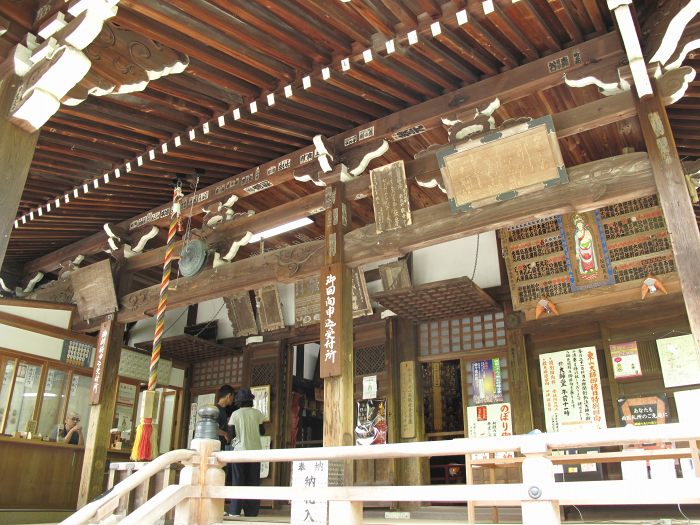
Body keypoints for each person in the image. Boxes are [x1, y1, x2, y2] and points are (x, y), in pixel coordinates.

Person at [226, 387, 265, 517]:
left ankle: (235, 510)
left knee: (238, 480)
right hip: (255, 451)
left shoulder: (235, 414)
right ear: (251, 401)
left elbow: (231, 434)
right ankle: (252, 511)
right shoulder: (257, 413)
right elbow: (262, 431)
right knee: (253, 481)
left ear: (238, 401)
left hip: (239, 452)